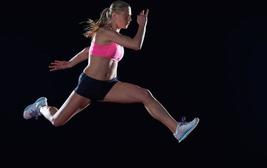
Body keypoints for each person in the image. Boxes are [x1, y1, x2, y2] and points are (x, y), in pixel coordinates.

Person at [23, 0, 199, 143]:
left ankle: (177, 129)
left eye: (131, 17)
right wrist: (142, 25)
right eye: (127, 16)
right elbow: (136, 45)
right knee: (56, 121)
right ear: (114, 15)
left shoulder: (114, 35)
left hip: (109, 85)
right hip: (89, 85)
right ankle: (41, 106)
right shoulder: (104, 32)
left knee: (145, 94)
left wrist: (70, 63)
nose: (130, 19)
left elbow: (88, 51)